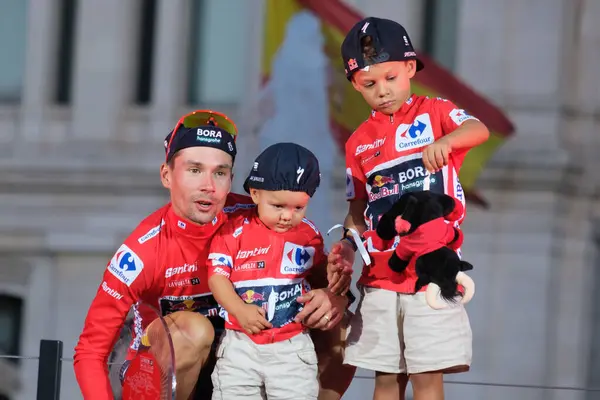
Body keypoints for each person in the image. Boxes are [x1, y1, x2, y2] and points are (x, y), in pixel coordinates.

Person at [73, 111, 350, 400]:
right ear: (167, 175)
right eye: (194, 170)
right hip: (158, 379)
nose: (209, 185)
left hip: (240, 365)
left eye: (219, 173)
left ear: (232, 179)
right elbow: (90, 351)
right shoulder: (141, 252)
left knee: (337, 323)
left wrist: (335, 298)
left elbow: (329, 286)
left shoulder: (265, 216)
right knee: (194, 329)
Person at [326, 17, 491, 400]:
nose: (382, 91)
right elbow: (358, 207)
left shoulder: (435, 112)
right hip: (380, 275)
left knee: (427, 375)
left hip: (431, 274)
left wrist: (447, 142)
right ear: (354, 84)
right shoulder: (358, 143)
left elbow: (478, 129)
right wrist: (349, 247)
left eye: (391, 78)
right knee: (386, 377)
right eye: (369, 84)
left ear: (411, 68)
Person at [208, 142, 333, 399]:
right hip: (240, 344)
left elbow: (323, 280)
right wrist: (240, 310)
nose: (288, 216)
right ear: (255, 194)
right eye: (278, 206)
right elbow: (217, 278)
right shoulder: (233, 230)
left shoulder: (310, 235)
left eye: (298, 208)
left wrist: (335, 284)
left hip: (292, 345)